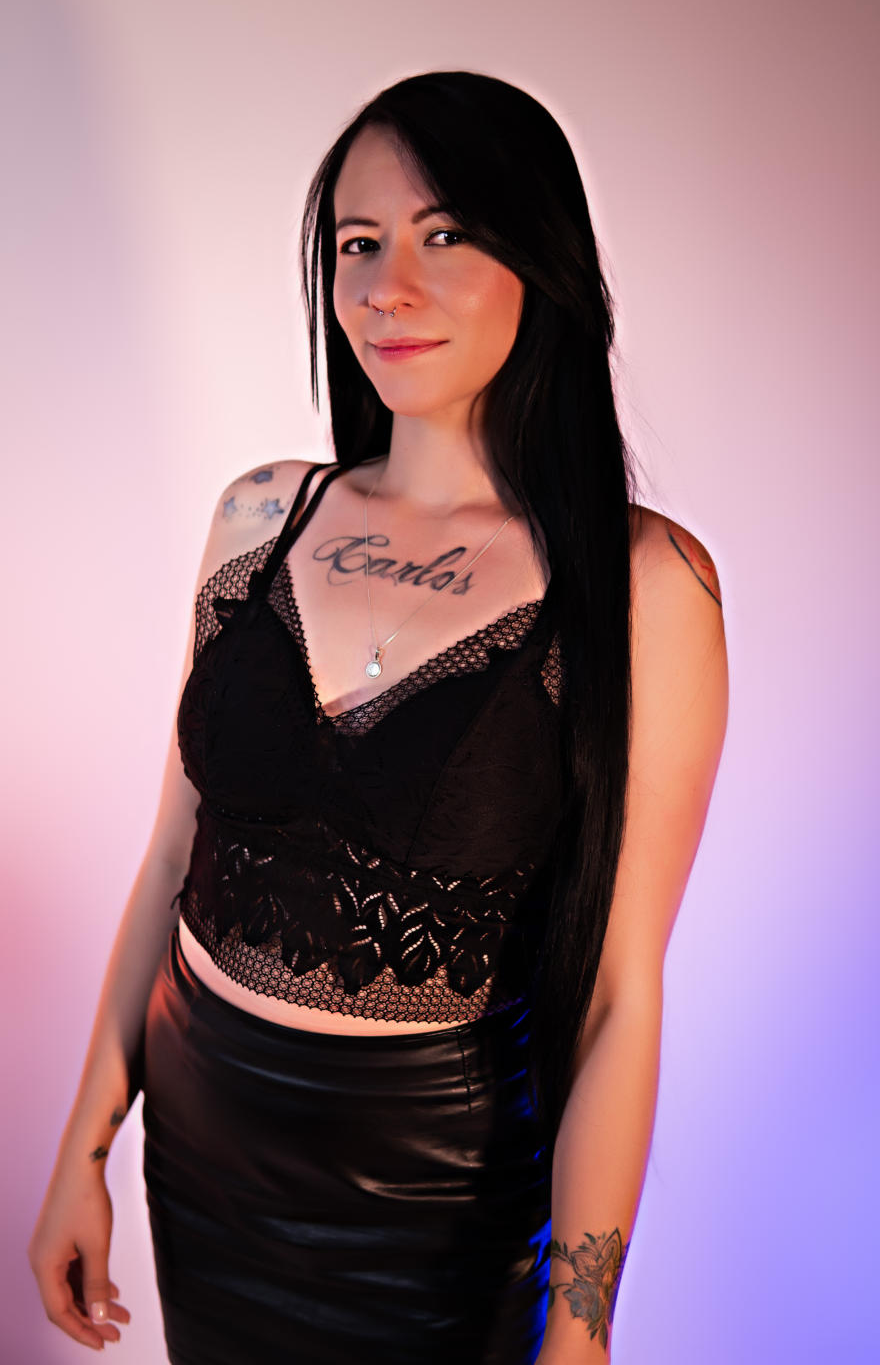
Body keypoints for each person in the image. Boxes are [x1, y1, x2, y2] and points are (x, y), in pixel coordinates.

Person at [29, 70, 728, 1364]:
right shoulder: (262, 516)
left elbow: (620, 996)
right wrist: (84, 1152)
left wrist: (580, 1337)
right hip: (204, 1159)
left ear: (543, 262)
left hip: (433, 1205)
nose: (385, 288)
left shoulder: (641, 586)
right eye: (357, 244)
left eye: (443, 234)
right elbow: (174, 856)